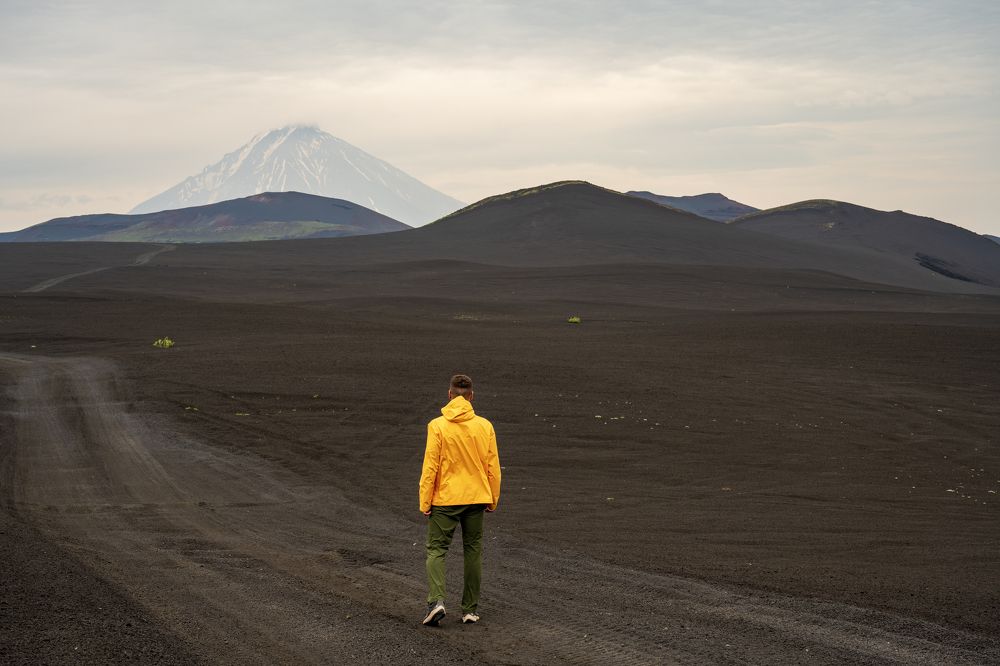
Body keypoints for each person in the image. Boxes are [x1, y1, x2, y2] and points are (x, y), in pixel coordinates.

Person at [418, 374, 502, 626]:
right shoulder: (484, 426)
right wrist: (492, 499)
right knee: (473, 551)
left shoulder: (437, 426)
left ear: (449, 394)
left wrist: (425, 501)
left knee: (436, 550)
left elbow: (430, 466)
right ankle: (469, 610)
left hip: (445, 499)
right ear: (471, 396)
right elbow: (493, 467)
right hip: (476, 497)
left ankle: (436, 601)